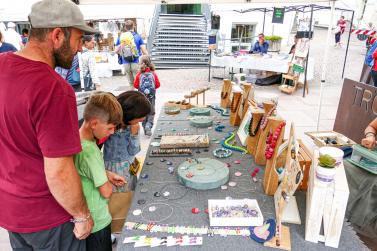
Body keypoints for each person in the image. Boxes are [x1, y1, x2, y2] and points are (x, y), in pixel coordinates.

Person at [0, 0, 100, 250]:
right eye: (78, 39)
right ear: (57, 35)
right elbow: (58, 170)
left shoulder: (2, 65)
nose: (79, 48)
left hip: (11, 210)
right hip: (49, 217)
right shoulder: (53, 88)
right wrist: (82, 215)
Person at [74, 92, 125, 251]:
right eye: (109, 128)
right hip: (97, 222)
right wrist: (107, 182)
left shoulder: (77, 140)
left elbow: (85, 171)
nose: (111, 133)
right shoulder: (90, 151)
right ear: (94, 123)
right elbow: (106, 192)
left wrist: (106, 174)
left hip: (86, 219)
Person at [103, 90, 151, 193]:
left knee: (131, 191)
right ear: (130, 115)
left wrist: (134, 134)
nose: (143, 119)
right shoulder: (111, 127)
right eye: (139, 118)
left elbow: (135, 151)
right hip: (116, 169)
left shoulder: (133, 125)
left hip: (130, 164)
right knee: (120, 196)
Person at [134, 55, 160, 136]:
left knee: (143, 112)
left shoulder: (139, 74)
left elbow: (135, 85)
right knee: (151, 112)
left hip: (142, 98)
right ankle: (149, 125)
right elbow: (158, 85)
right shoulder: (153, 73)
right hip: (151, 97)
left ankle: (145, 127)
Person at [116, 20, 148, 86]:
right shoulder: (138, 36)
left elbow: (116, 50)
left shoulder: (121, 37)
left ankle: (132, 95)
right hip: (136, 61)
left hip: (125, 62)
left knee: (131, 83)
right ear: (133, 26)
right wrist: (148, 59)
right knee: (138, 83)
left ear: (125, 27)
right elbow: (144, 51)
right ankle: (139, 96)